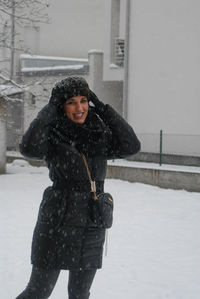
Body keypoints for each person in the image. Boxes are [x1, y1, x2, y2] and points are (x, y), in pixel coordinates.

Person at [16, 76, 141, 299]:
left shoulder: (99, 134)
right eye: (71, 102)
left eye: (84, 100)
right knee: (37, 292)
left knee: (80, 294)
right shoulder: (53, 133)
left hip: (92, 224)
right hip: (57, 222)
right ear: (61, 105)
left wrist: (102, 108)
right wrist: (49, 109)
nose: (79, 107)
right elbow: (28, 148)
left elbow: (131, 146)